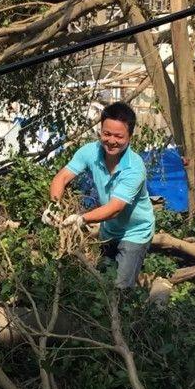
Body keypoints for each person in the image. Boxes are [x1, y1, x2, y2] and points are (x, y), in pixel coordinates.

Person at [42, 102, 155, 289]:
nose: (111, 141)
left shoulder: (135, 167)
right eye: (106, 134)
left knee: (119, 289)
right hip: (108, 230)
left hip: (135, 232)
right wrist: (53, 206)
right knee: (100, 285)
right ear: (100, 130)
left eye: (119, 136)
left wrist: (81, 219)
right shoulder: (90, 151)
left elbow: (115, 209)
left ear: (130, 136)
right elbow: (61, 177)